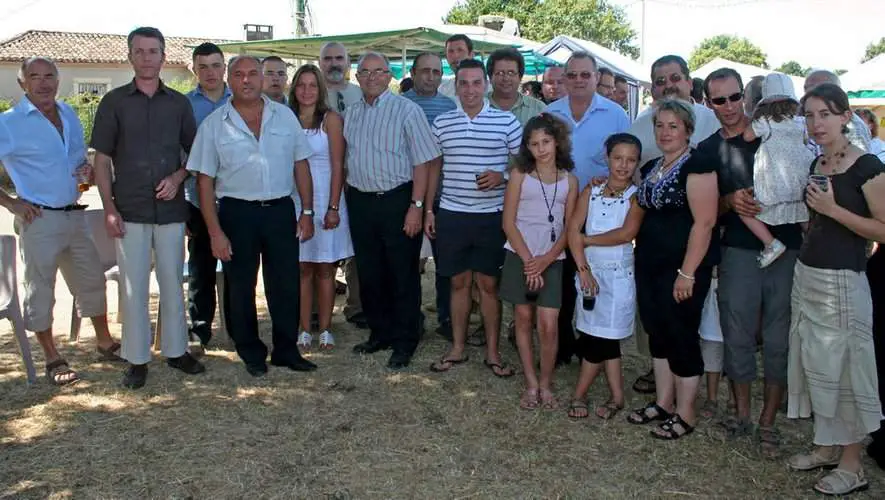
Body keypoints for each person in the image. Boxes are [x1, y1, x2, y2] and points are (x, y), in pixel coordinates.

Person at [187, 55, 317, 377]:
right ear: (230, 80)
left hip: (280, 211)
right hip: (237, 214)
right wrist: (215, 232)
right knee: (240, 287)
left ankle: (286, 350)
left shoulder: (284, 117)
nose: (246, 80)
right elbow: (204, 182)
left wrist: (307, 211)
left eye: (252, 74)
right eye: (239, 74)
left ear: (262, 78)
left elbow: (301, 164)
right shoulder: (214, 125)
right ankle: (251, 351)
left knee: (285, 284)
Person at [90, 27, 204, 389]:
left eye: (153, 51)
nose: (146, 58)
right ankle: (137, 359)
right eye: (139, 51)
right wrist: (109, 208)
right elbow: (101, 160)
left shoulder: (179, 104)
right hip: (129, 210)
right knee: (133, 288)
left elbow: (196, 153)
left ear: (163, 57)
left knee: (172, 283)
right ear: (130, 56)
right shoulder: (114, 103)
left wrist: (178, 177)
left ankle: (176, 352)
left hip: (171, 211)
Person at [786, 83, 885, 497]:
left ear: (846, 116)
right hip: (808, 276)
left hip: (843, 282)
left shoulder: (868, 167)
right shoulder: (818, 163)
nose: (816, 123)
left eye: (825, 113)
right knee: (815, 364)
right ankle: (827, 446)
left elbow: (882, 229)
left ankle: (852, 465)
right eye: (809, 115)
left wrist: (833, 210)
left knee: (846, 371)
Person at [0, 57, 123, 386]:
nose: (43, 83)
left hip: (75, 215)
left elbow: (78, 161)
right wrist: (11, 203)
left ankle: (104, 343)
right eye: (34, 77)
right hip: (39, 219)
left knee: (91, 279)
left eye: (49, 76)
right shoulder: (9, 123)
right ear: (22, 83)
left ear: (58, 80)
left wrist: (86, 174)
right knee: (41, 288)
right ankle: (52, 357)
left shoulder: (68, 113)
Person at [699, 67, 799, 455]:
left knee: (778, 337)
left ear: (746, 96)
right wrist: (728, 201)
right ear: (708, 102)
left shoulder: (778, 129)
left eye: (734, 97)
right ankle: (741, 414)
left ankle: (768, 421)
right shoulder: (708, 149)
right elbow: (701, 211)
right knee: (736, 333)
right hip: (738, 249)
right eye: (719, 100)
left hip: (788, 246)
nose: (729, 106)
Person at [626, 98, 719, 441]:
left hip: (682, 267)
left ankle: (686, 412)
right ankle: (664, 403)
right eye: (660, 125)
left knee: (681, 334)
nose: (665, 132)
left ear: (688, 130)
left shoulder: (699, 165)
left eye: (673, 126)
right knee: (658, 332)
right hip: (650, 263)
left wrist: (687, 272)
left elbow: (705, 223)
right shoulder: (653, 166)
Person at [344, 52, 441, 370]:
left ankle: (405, 340)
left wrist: (417, 207)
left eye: (378, 71)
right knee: (370, 273)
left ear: (389, 76)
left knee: (402, 274)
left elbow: (424, 162)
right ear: (357, 77)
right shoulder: (351, 113)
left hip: (398, 200)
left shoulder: (407, 111)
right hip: (361, 201)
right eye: (365, 72)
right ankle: (380, 333)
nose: (372, 77)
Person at [425, 59, 521, 377]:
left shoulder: (506, 122)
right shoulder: (442, 123)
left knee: (489, 285)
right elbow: (433, 167)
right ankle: (457, 347)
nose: (470, 89)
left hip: (491, 216)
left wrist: (502, 176)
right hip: (452, 214)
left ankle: (493, 352)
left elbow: (525, 163)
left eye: (476, 82)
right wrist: (428, 210)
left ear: (486, 85)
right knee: (458, 283)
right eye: (463, 83)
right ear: (455, 86)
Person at [545, 51, 630, 366]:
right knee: (561, 282)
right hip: (555, 210)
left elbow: (626, 161)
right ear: (565, 79)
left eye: (585, 75)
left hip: (599, 215)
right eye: (572, 75)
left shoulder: (616, 114)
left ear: (597, 78)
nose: (578, 80)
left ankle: (594, 347)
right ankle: (562, 346)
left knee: (596, 279)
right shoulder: (550, 114)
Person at [501, 113, 578, 408]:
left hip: (552, 258)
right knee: (523, 318)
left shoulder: (570, 180)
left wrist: (545, 260)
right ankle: (531, 383)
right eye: (534, 144)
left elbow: (569, 228)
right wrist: (529, 261)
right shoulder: (520, 175)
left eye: (546, 141)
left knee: (548, 324)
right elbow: (508, 223)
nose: (541, 149)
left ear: (557, 142)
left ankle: (546, 383)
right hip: (519, 254)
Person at [566, 133, 642, 420]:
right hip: (589, 275)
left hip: (618, 277)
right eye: (617, 158)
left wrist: (588, 240)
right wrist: (583, 269)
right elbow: (573, 229)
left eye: (631, 160)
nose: (623, 165)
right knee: (597, 335)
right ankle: (617, 397)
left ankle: (579, 394)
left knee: (603, 339)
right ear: (607, 158)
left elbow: (626, 233)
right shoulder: (592, 190)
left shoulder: (636, 196)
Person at [288, 64, 353, 352]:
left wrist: (333, 206)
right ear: (294, 89)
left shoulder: (331, 119)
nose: (307, 91)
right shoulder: (285, 119)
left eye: (312, 85)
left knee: (326, 268)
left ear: (320, 89)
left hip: (327, 197)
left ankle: (326, 328)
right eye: (301, 85)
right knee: (302, 268)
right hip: (295, 200)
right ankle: (304, 328)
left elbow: (339, 165)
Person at [403, 52, 457, 339]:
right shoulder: (401, 104)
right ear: (413, 73)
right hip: (407, 194)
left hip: (442, 195)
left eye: (436, 72)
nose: (431, 76)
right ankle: (410, 317)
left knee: (444, 263)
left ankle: (447, 317)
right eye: (425, 71)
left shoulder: (449, 106)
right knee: (407, 262)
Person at [739, 73, 814, 268]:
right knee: (803, 216)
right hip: (799, 182)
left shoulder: (765, 121)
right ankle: (815, 245)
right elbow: (806, 141)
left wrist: (754, 121)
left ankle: (771, 243)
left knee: (745, 212)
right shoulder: (801, 122)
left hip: (774, 182)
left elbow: (747, 136)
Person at [184, 42, 232, 347]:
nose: (210, 72)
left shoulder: (241, 100)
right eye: (203, 67)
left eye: (215, 66)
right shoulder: (184, 106)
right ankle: (200, 330)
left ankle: (237, 328)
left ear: (224, 68)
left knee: (237, 269)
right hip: (195, 199)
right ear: (194, 70)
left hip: (235, 198)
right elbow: (177, 153)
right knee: (201, 269)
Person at [319, 41, 365, 330]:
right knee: (319, 242)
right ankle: (316, 310)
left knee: (357, 245)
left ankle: (357, 305)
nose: (334, 63)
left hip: (356, 179)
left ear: (348, 63)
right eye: (328, 58)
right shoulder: (310, 93)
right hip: (320, 180)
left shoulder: (360, 94)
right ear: (320, 62)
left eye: (339, 58)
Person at [629, 55, 720, 166]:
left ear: (689, 83)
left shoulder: (713, 122)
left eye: (675, 78)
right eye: (660, 81)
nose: (668, 85)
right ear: (653, 90)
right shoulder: (638, 127)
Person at [804, 70, 871, 152]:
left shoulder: (854, 125)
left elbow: (860, 156)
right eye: (806, 88)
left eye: (815, 88)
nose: (807, 93)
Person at [487, 48, 546, 126]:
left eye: (511, 73)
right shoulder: (477, 106)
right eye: (500, 73)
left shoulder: (539, 109)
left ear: (520, 77)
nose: (506, 78)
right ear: (490, 77)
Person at [440, 34, 474, 99]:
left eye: (460, 50)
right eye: (450, 51)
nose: (455, 55)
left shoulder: (487, 89)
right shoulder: (442, 90)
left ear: (471, 55)